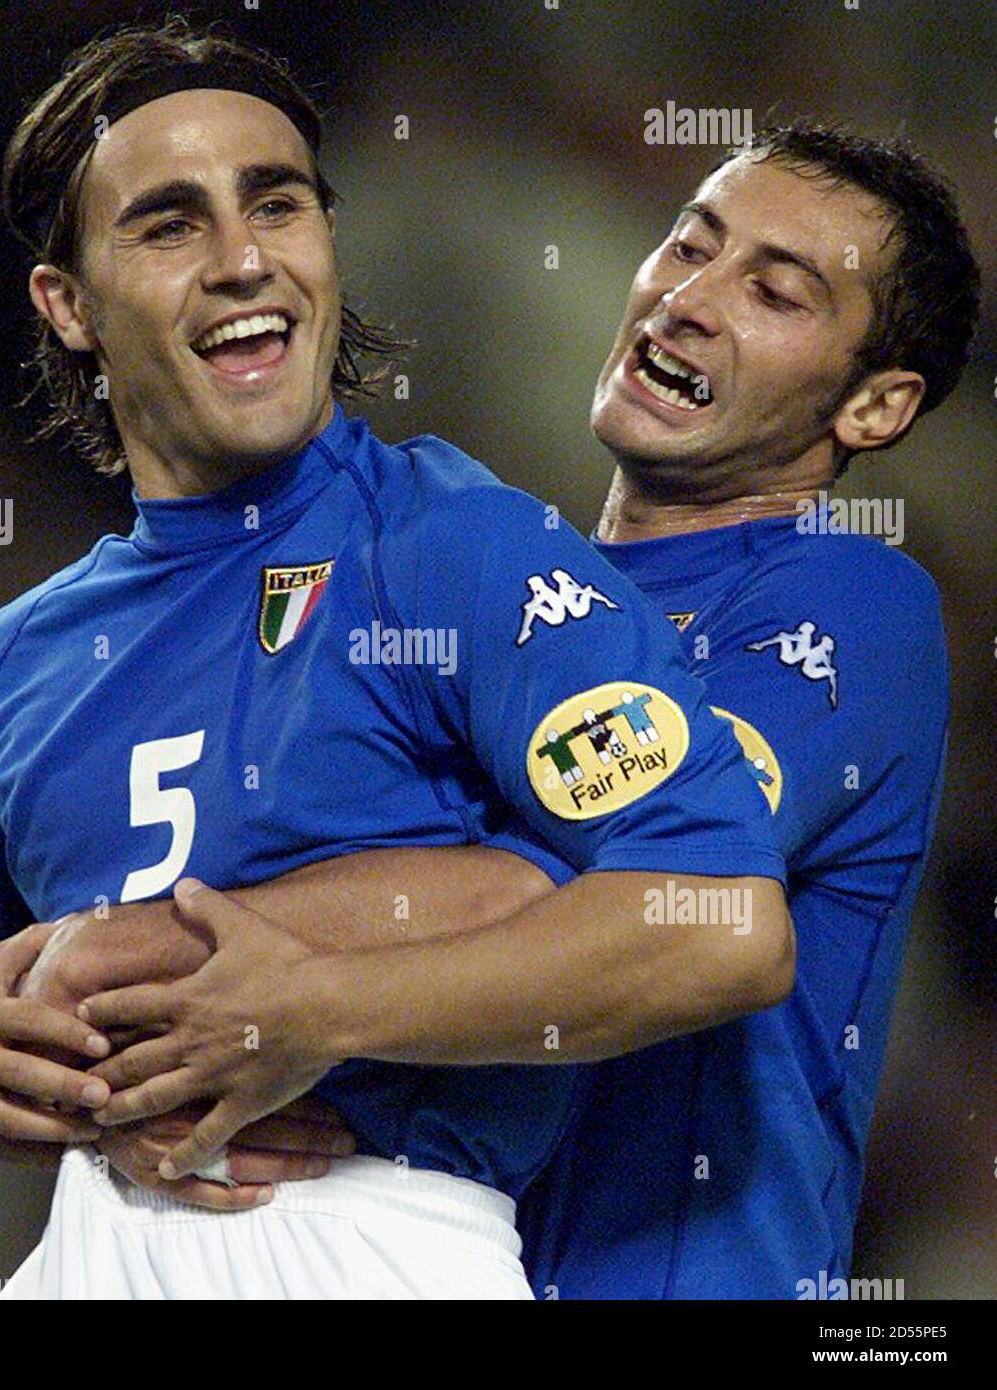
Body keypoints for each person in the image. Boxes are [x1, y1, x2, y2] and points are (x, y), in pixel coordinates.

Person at [0, 22, 788, 1300]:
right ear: (67, 305)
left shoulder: (454, 544)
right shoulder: (2, 670)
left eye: (275, 203)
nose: (242, 261)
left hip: (373, 1241)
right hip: (80, 1252)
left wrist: (318, 1009)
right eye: (170, 224)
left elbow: (722, 921)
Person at [111, 122, 970, 1300]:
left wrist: (247, 992)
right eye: (686, 246)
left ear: (872, 409)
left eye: (772, 292)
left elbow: (614, 885)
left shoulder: (851, 597)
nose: (687, 300)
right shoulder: (517, 592)